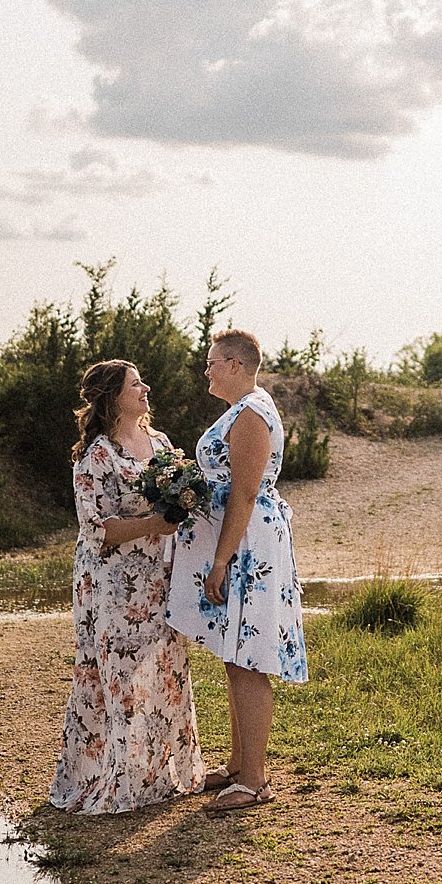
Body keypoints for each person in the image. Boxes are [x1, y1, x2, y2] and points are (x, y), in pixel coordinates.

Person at [50, 359, 205, 814]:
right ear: (113, 397)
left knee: (166, 667)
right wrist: (156, 522)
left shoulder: (160, 443)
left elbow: (183, 498)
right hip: (111, 584)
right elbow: (97, 529)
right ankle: (116, 778)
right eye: (136, 384)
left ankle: (159, 774)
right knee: (117, 673)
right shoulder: (95, 455)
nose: (146, 388)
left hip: (160, 575)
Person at [166, 329, 307, 815]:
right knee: (235, 655)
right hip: (241, 539)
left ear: (235, 364)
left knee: (250, 659)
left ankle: (255, 780)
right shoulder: (243, 409)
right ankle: (238, 765)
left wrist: (221, 559)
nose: (205, 370)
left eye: (211, 362)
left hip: (249, 546)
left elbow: (244, 493)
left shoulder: (251, 414)